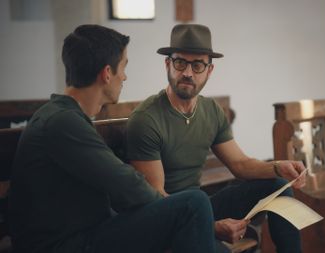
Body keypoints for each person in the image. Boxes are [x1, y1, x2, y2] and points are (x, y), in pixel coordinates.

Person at [8, 24, 216, 253]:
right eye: (123, 67)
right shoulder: (61, 122)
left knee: (198, 222)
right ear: (107, 73)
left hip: (90, 233)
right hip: (64, 245)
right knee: (193, 204)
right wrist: (186, 219)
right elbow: (127, 185)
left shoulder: (66, 117)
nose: (125, 76)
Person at [126, 24, 307, 253]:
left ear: (209, 70)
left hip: (200, 206)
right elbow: (155, 199)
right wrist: (211, 227)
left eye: (198, 65)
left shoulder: (211, 111)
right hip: (166, 220)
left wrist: (280, 167)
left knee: (279, 186)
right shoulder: (147, 119)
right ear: (167, 64)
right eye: (180, 62)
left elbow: (240, 165)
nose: (188, 73)